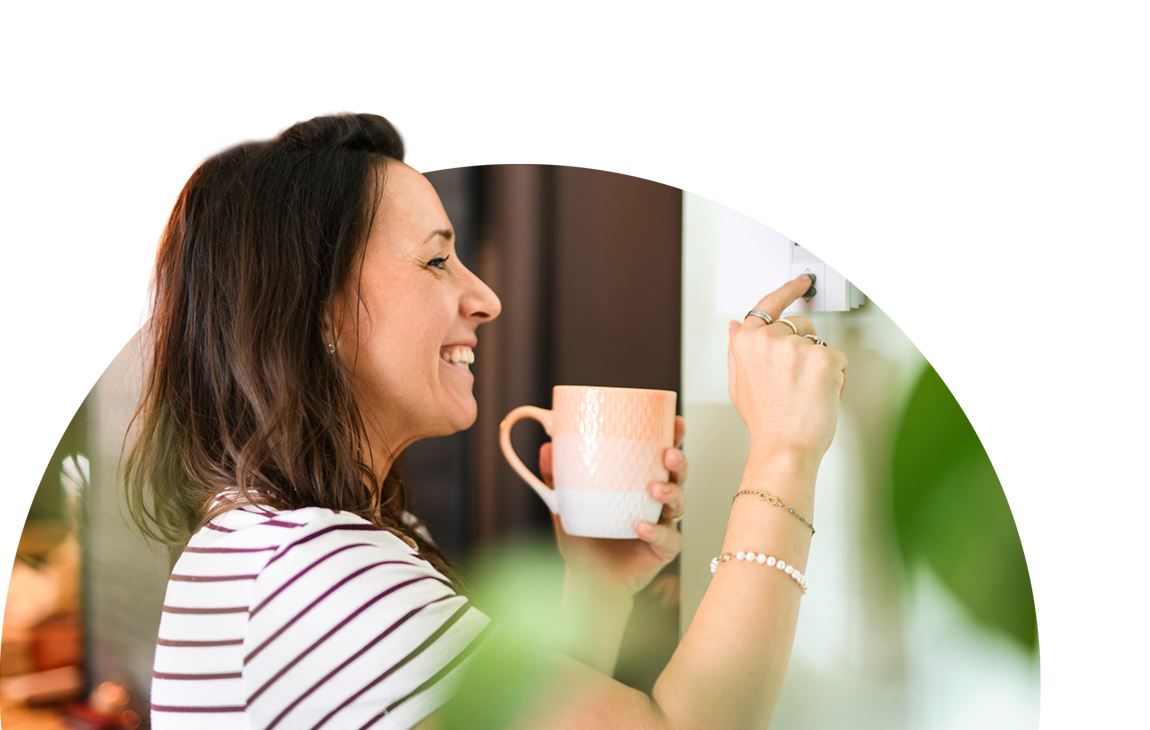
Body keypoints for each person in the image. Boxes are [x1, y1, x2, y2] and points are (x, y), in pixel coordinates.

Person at [125, 110, 848, 730]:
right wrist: (785, 452)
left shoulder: (307, 543)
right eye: (437, 261)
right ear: (319, 310)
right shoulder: (313, 574)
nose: (485, 298)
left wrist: (594, 584)